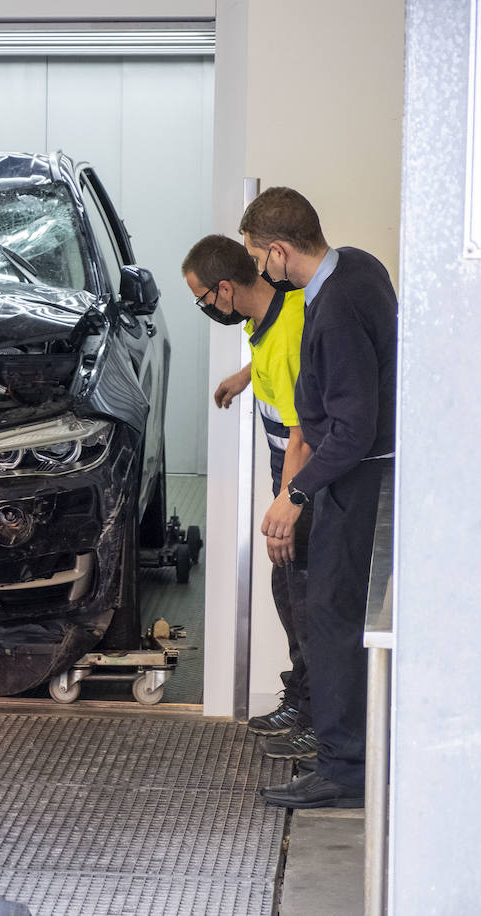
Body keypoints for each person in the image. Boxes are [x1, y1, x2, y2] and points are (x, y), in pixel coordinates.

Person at [240, 188, 396, 809]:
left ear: (279, 251)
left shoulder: (331, 310)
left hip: (355, 476)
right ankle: (351, 754)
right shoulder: (358, 266)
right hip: (365, 471)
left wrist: (293, 493)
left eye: (258, 258)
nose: (259, 271)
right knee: (340, 612)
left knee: (330, 614)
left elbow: (354, 428)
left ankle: (344, 768)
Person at [181, 235, 317, 764]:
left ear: (225, 288)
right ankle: (301, 698)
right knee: (287, 589)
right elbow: (272, 368)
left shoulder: (286, 334)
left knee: (300, 597)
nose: (204, 307)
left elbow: (302, 432)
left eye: (202, 298)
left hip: (301, 475)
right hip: (291, 471)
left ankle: (314, 716)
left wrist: (288, 504)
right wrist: (242, 379)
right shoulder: (267, 315)